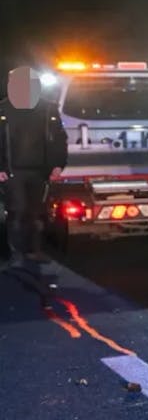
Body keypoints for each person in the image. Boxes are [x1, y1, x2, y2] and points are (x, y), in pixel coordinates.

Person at [0, 67, 68, 269]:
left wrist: (58, 164)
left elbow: (58, 138)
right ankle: (15, 253)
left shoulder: (48, 109)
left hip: (40, 171)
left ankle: (34, 250)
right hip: (13, 170)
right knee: (17, 211)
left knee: (36, 213)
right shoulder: (3, 110)